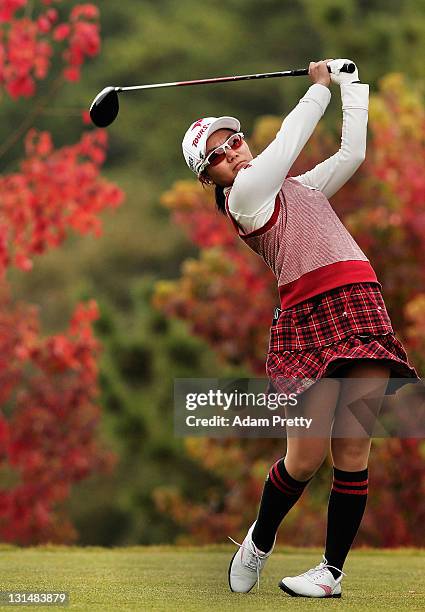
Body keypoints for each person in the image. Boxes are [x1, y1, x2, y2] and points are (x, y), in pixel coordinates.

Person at [181, 59, 420, 598]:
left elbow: (352, 154)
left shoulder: (302, 189)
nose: (232, 152)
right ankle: (260, 540)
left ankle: (330, 574)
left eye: (234, 140)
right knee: (305, 458)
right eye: (216, 155)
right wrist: (317, 90)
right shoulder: (244, 199)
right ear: (209, 178)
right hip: (309, 322)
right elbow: (286, 145)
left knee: (353, 452)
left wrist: (351, 85)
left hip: (360, 306)